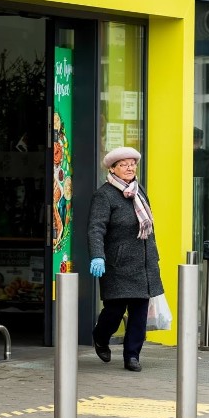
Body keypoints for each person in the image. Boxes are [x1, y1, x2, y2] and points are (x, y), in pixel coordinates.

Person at [88, 147, 164, 372]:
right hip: (117, 264)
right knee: (114, 310)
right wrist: (97, 256)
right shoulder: (104, 195)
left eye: (132, 163)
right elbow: (96, 228)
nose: (130, 168)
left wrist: (153, 257)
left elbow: (149, 225)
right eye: (124, 164)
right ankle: (100, 336)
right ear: (112, 169)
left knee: (139, 312)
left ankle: (132, 355)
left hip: (143, 263)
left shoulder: (139, 190)